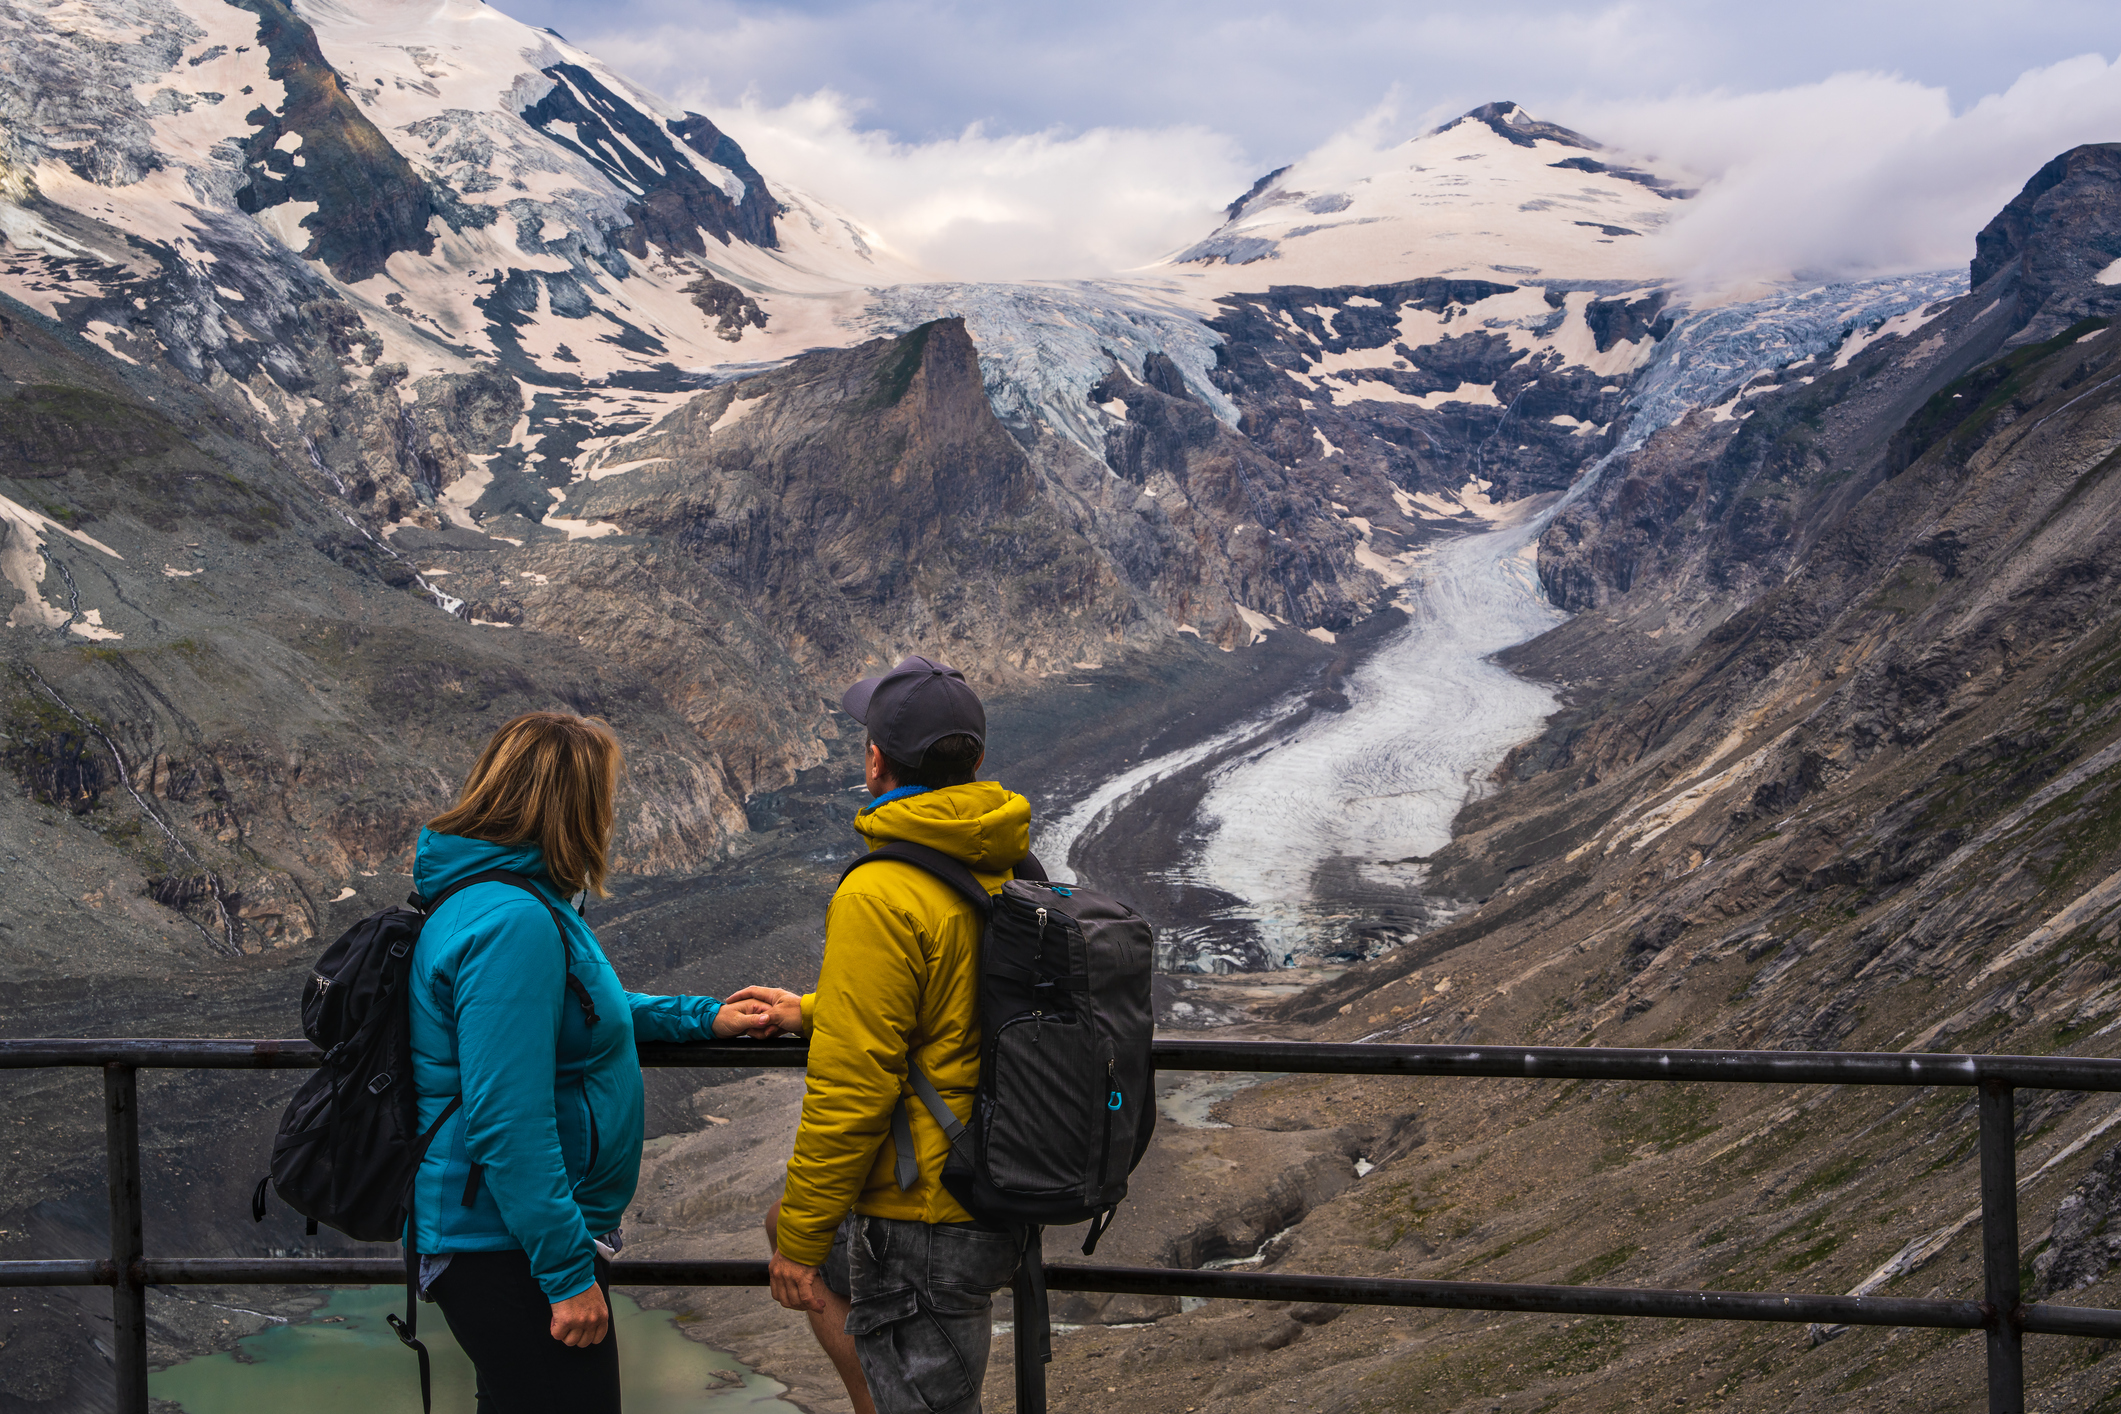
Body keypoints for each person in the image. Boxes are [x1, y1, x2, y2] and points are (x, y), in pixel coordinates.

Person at [407, 710, 781, 1414]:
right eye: (605, 796)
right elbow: (507, 1121)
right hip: (508, 1247)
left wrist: (699, 1017)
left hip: (507, 1240)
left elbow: (574, 1013)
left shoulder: (509, 903)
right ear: (572, 806)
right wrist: (564, 1275)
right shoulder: (512, 922)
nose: (612, 813)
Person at [733, 655, 1034, 1414]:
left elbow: (853, 1087)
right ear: (975, 762)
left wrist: (800, 1245)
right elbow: (954, 991)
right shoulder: (1007, 860)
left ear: (875, 760)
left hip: (922, 1213)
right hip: (995, 1181)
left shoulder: (881, 890)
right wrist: (819, 1004)